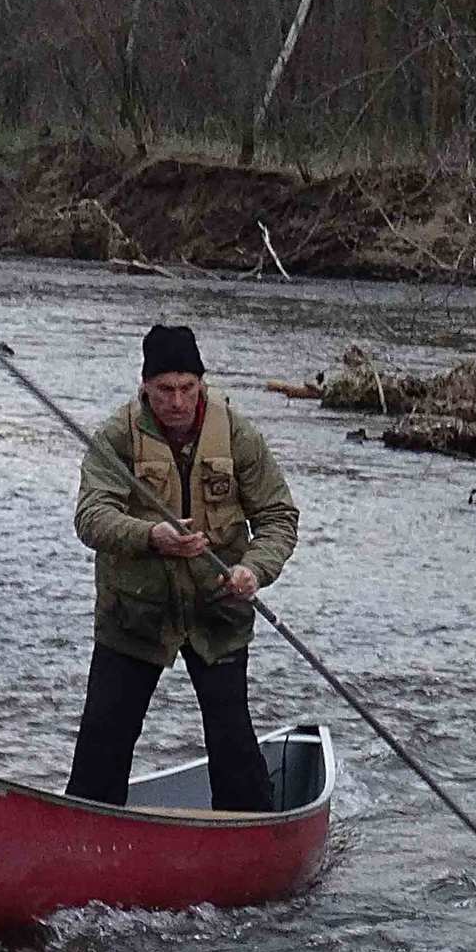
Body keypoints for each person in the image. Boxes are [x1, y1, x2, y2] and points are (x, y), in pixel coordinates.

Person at [64, 324, 299, 811]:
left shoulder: (236, 434)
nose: (176, 401)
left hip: (218, 611)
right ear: (146, 386)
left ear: (201, 384)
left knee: (233, 745)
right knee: (101, 748)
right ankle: (82, 839)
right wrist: (151, 537)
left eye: (187, 388)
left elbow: (278, 518)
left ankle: (249, 841)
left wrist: (254, 570)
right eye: (165, 389)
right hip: (135, 616)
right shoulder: (116, 437)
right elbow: (91, 518)